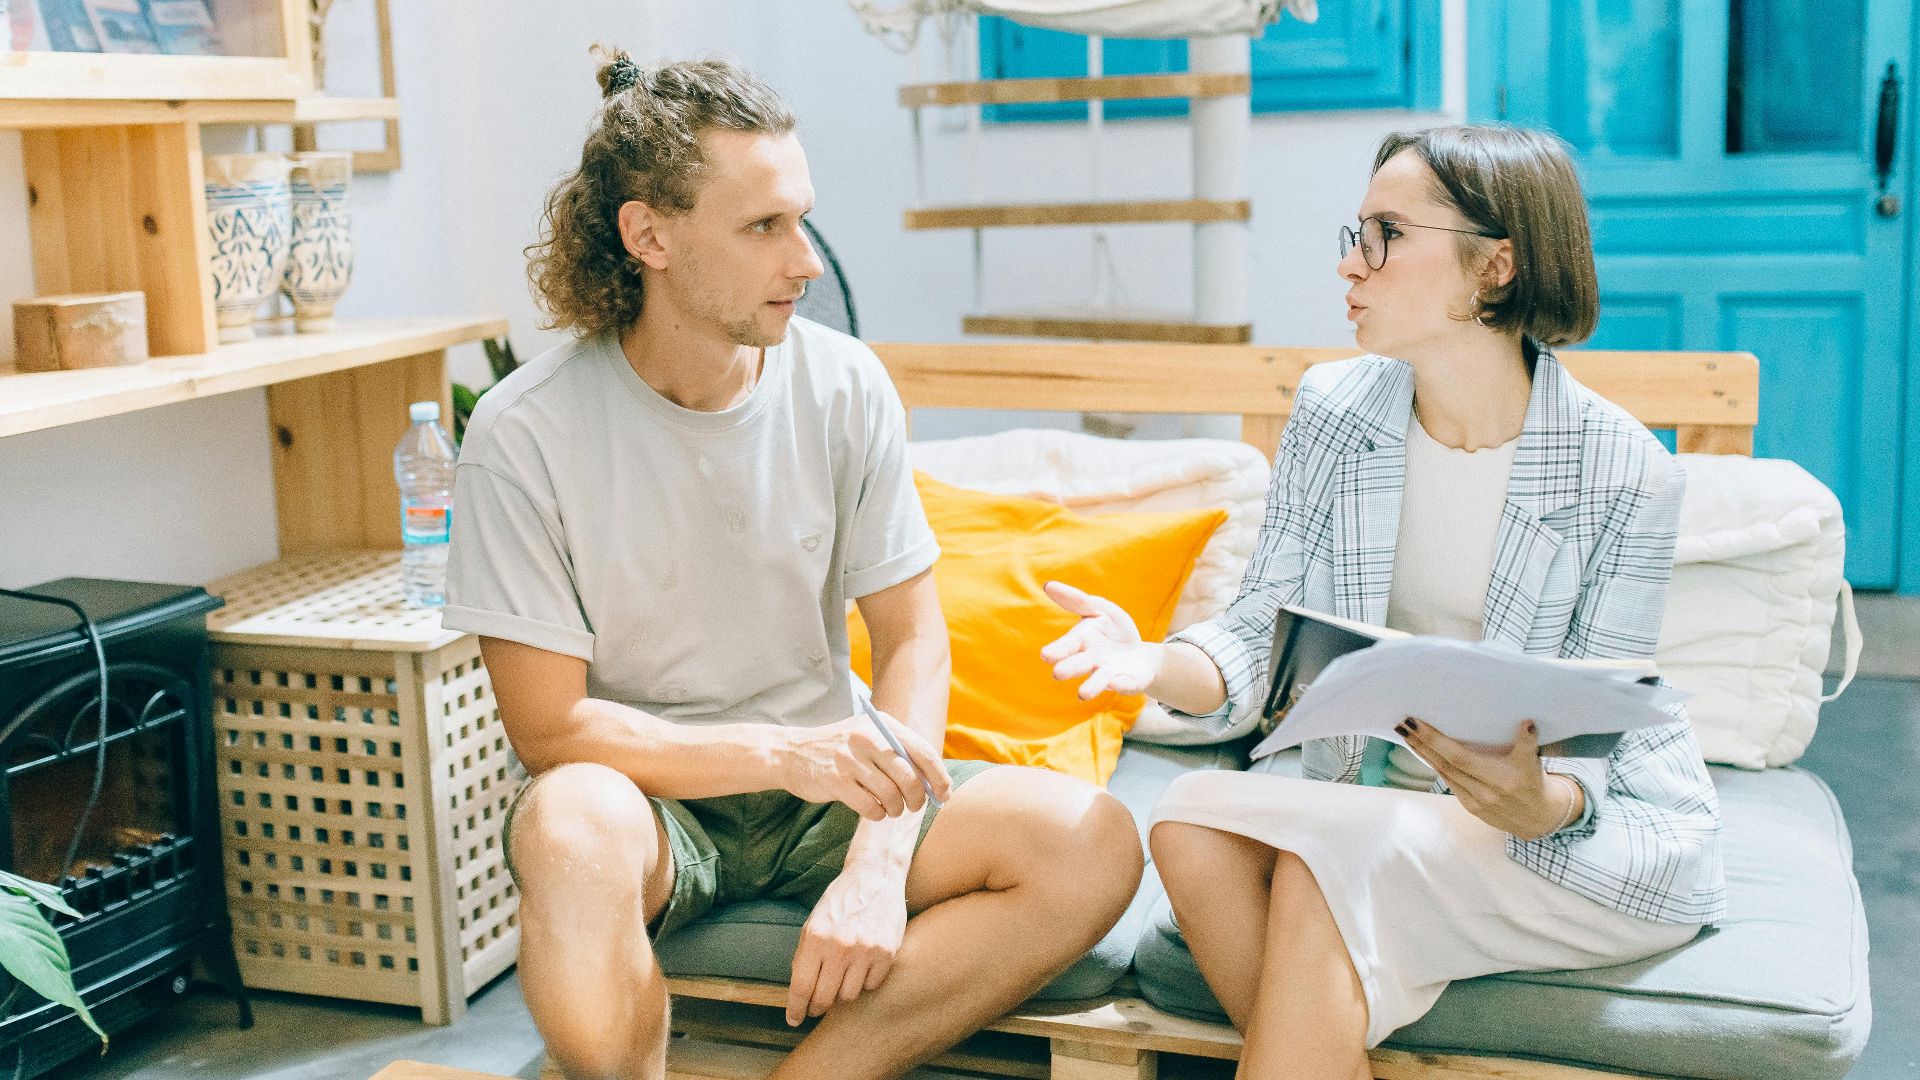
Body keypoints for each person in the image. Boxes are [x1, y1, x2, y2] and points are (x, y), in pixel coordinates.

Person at [445, 51, 1142, 1080]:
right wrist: (779, 755)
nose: (806, 261)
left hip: (835, 788)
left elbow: (911, 636)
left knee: (1093, 838)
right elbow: (551, 726)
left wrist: (877, 857)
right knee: (566, 827)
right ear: (651, 237)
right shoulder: (521, 433)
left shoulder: (845, 385)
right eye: (764, 227)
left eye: (802, 219)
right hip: (652, 800)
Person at [1040, 124, 1724, 1079]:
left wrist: (1539, 800)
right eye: (1355, 231)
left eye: (1386, 234)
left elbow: (1598, 744)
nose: (1350, 264)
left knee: (1329, 863)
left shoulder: (1625, 473)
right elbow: (1254, 643)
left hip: (1564, 833)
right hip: (1373, 808)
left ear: (1496, 265)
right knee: (1190, 820)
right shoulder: (1335, 410)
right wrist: (1149, 661)